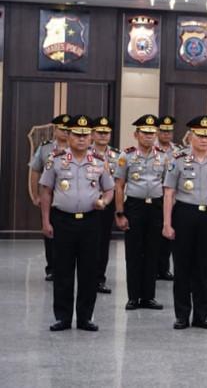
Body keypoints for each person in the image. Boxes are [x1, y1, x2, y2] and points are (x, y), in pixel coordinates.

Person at [39, 115, 115, 331]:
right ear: (69, 136)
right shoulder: (56, 160)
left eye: (85, 135)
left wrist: (104, 201)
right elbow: (46, 191)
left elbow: (109, 189)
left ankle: (85, 318)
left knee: (88, 271)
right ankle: (62, 317)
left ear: (90, 137)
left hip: (90, 221)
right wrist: (46, 221)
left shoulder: (99, 161)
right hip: (63, 220)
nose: (81, 139)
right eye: (76, 134)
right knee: (62, 270)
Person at [163, 115, 207, 330]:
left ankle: (202, 315)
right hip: (184, 214)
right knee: (182, 267)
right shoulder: (178, 159)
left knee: (202, 267)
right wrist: (167, 223)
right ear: (191, 136)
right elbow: (169, 193)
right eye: (200, 135)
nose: (204, 139)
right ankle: (182, 315)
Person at [114, 114, 165, 311]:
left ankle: (149, 297)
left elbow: (168, 186)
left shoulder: (163, 156)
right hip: (135, 207)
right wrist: (120, 213)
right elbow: (119, 186)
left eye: (152, 132)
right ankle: (133, 297)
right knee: (134, 253)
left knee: (153, 252)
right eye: (145, 132)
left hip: (156, 207)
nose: (149, 136)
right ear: (136, 134)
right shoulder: (126, 156)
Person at [30, 113, 71, 281]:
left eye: (68, 129)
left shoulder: (77, 148)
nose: (66, 132)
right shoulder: (45, 148)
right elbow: (35, 171)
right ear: (55, 130)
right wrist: (35, 195)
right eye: (62, 129)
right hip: (49, 196)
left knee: (70, 234)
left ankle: (68, 267)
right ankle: (52, 268)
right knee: (50, 232)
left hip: (69, 197)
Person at [91, 116, 120, 295]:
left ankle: (99, 279)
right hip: (88, 203)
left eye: (106, 132)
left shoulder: (118, 155)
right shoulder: (84, 152)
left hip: (108, 203)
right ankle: (85, 277)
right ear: (93, 134)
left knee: (102, 243)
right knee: (86, 243)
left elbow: (121, 182)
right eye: (99, 132)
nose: (103, 135)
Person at [155, 115, 180, 282]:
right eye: (163, 131)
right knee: (154, 235)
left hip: (172, 199)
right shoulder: (152, 148)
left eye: (169, 131)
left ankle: (164, 269)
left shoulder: (178, 151)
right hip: (156, 197)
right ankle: (153, 268)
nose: (166, 134)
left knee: (169, 236)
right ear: (158, 132)